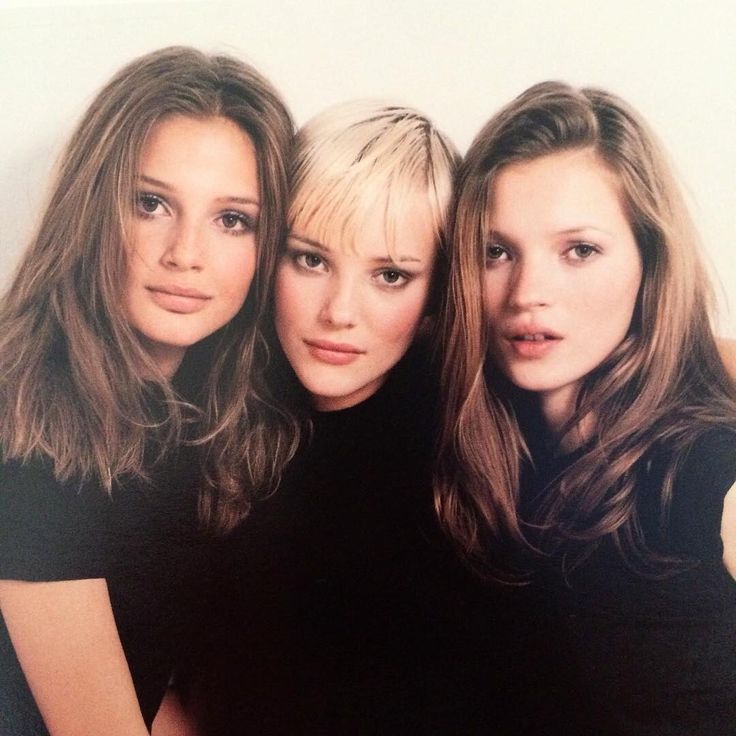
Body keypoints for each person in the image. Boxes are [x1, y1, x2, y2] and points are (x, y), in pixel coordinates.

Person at [186, 99, 570, 735]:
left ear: (438, 292)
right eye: (310, 259)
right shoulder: (211, 408)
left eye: (390, 275)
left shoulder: (487, 424)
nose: (340, 311)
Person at [0, 46, 297, 735]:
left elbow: (142, 680)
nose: (185, 253)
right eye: (151, 203)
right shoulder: (28, 431)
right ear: (93, 209)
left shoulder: (190, 417)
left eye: (233, 219)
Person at [437, 81, 736, 734]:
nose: (528, 293)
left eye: (580, 250)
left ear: (648, 263)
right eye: (498, 251)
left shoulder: (708, 471)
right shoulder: (482, 451)